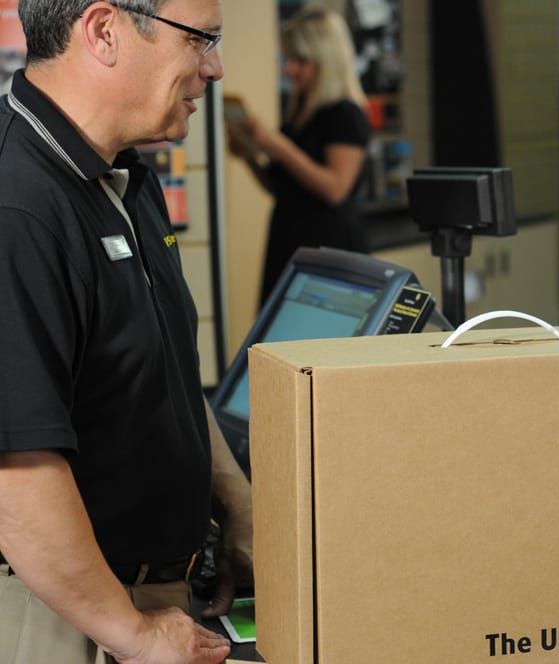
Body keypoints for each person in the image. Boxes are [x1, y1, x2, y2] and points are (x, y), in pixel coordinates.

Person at [0, 1, 252, 663]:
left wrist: (234, 500)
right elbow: (16, 473)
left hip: (146, 602)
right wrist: (132, 634)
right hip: (65, 613)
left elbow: (156, 364)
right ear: (105, 31)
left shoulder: (123, 175)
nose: (214, 68)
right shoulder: (17, 207)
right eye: (200, 40)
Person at [228, 6, 371, 308]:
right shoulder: (298, 114)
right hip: (289, 245)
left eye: (300, 61)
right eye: (288, 59)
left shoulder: (345, 114)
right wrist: (250, 157)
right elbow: (281, 189)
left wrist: (279, 147)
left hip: (329, 252)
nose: (289, 69)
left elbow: (335, 189)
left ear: (326, 61)